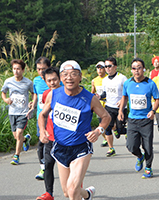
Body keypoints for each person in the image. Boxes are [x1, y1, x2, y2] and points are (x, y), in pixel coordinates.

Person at [38, 60, 111, 200]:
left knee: (72, 191)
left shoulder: (89, 98)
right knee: (68, 192)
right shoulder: (54, 94)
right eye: (65, 74)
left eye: (73, 74)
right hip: (60, 147)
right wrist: (42, 131)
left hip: (81, 148)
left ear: (80, 77)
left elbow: (106, 117)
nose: (69, 78)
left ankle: (81, 193)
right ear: (60, 77)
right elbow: (42, 114)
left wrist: (98, 131)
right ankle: (87, 194)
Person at [119, 58, 159, 179]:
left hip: (146, 120)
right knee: (130, 146)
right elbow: (124, 97)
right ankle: (140, 156)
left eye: (139, 68)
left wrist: (153, 111)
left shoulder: (150, 83)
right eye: (134, 68)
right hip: (132, 119)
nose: (136, 71)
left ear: (143, 69)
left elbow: (157, 99)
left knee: (147, 146)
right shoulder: (128, 83)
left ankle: (148, 167)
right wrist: (121, 111)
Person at [1, 59, 34, 165]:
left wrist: (32, 102)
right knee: (16, 136)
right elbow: (3, 92)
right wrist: (6, 100)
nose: (16, 71)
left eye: (18, 69)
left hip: (23, 112)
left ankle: (16, 156)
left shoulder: (28, 82)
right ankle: (25, 139)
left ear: (23, 70)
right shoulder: (8, 81)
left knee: (19, 132)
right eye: (14, 69)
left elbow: (33, 93)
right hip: (12, 112)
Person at [36, 67, 61, 200]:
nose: (52, 83)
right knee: (48, 164)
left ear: (60, 79)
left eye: (54, 80)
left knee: (69, 168)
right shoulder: (47, 94)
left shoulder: (68, 92)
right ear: (45, 81)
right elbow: (44, 114)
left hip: (65, 139)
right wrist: (42, 131)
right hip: (51, 136)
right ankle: (49, 193)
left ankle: (78, 190)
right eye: (49, 80)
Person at [98, 57, 128, 157]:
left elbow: (128, 92)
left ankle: (125, 131)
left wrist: (122, 101)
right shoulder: (105, 80)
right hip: (109, 106)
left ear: (115, 67)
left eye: (109, 66)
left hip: (121, 108)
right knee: (107, 127)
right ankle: (111, 148)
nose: (107, 68)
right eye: (105, 66)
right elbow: (105, 93)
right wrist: (99, 96)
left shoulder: (122, 78)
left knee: (120, 129)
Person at [31, 57, 50, 179]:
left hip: (55, 118)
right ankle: (43, 168)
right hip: (41, 117)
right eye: (38, 69)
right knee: (42, 143)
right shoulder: (36, 81)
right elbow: (36, 96)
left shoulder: (55, 80)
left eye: (44, 69)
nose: (41, 71)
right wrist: (32, 107)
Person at [91, 61, 108, 147]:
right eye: (98, 68)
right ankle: (106, 139)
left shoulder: (108, 78)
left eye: (101, 67)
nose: (100, 70)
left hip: (109, 104)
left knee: (111, 124)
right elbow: (92, 92)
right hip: (99, 105)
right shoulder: (94, 80)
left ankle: (121, 130)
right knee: (101, 124)